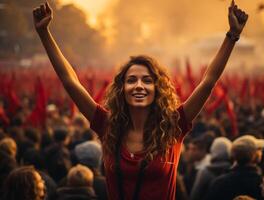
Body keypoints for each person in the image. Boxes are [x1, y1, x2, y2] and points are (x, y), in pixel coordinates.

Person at [33, 1, 248, 199]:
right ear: (121, 89)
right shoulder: (107, 126)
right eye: (131, 80)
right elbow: (71, 82)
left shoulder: (174, 126)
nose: (139, 85)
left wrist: (232, 36)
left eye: (147, 80)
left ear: (158, 89)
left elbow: (208, 82)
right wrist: (44, 33)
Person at [205, 135, 264, 200]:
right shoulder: (261, 183)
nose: (261, 152)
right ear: (256, 155)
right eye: (259, 149)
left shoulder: (219, 182)